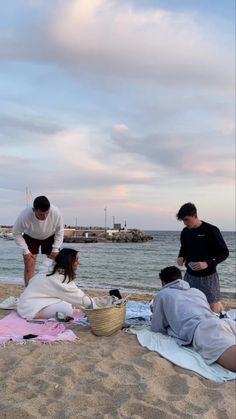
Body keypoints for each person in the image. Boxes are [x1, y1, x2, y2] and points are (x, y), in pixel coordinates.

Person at [151, 266, 236, 372]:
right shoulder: (196, 291)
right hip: (223, 322)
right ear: (180, 279)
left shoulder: (162, 295)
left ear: (163, 283)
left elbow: (157, 327)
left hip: (204, 329)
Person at [176, 202, 229, 313]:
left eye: (187, 219)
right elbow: (184, 247)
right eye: (183, 221)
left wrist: (207, 263)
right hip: (190, 275)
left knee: (212, 306)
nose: (185, 223)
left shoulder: (211, 230)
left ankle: (217, 323)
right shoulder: (185, 232)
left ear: (195, 216)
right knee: (191, 303)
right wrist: (181, 256)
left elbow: (224, 253)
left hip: (208, 276)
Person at [17, 248, 93, 320]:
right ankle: (40, 315)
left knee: (68, 301)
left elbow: (74, 295)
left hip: (27, 302)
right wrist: (93, 304)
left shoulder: (49, 269)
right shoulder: (59, 278)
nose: (78, 263)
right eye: (76, 260)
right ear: (69, 262)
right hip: (28, 308)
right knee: (67, 310)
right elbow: (79, 297)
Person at [13, 196, 64, 286]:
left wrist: (56, 248)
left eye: (47, 213)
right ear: (34, 210)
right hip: (31, 237)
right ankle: (29, 293)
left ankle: (54, 289)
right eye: (41, 214)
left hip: (50, 236)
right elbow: (16, 233)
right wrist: (26, 250)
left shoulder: (55, 212)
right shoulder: (25, 215)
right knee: (29, 264)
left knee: (55, 265)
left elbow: (60, 231)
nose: (44, 217)